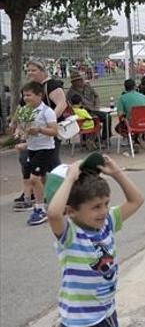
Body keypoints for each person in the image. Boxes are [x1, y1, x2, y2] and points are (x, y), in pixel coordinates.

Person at [46, 154, 144, 327]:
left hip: (106, 318)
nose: (102, 211)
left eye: (105, 204)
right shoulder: (69, 234)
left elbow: (137, 200)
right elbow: (53, 213)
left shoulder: (108, 223)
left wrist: (117, 173)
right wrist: (70, 179)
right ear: (72, 210)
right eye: (95, 207)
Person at [20, 81, 59, 226]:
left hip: (45, 149)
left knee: (34, 179)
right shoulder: (25, 110)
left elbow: (54, 131)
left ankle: (40, 209)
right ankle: (56, 199)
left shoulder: (47, 111)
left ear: (39, 95)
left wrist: (39, 130)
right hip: (32, 149)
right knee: (42, 178)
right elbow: (22, 128)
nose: (25, 98)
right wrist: (21, 133)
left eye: (29, 95)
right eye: (24, 95)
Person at [27, 59, 68, 166]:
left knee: (51, 162)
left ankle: (66, 181)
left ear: (43, 71)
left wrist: (49, 122)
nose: (30, 73)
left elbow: (62, 104)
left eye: (33, 70)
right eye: (28, 70)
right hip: (34, 132)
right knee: (33, 162)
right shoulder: (32, 87)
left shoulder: (51, 85)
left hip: (50, 131)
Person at [67, 70, 107, 141]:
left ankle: (105, 137)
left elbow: (96, 96)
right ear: (73, 82)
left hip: (93, 109)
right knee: (96, 118)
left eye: (81, 79)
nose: (82, 81)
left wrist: (97, 106)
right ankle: (94, 140)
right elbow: (70, 106)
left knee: (107, 117)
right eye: (79, 80)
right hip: (83, 113)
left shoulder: (88, 86)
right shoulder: (71, 93)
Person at [115, 79, 145, 148]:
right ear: (135, 87)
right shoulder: (143, 96)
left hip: (133, 124)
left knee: (118, 127)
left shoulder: (122, 98)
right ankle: (136, 140)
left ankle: (132, 139)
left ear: (125, 87)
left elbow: (120, 114)